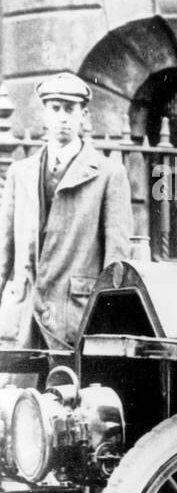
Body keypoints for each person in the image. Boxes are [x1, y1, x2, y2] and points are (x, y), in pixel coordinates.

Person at [0, 72, 131, 350]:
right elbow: (4, 252)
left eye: (70, 110)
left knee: (66, 391)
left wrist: (105, 320)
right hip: (24, 316)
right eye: (55, 109)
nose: (62, 118)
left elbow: (115, 260)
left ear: (83, 115)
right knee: (19, 391)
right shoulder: (21, 173)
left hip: (74, 316)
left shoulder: (108, 174)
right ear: (44, 114)